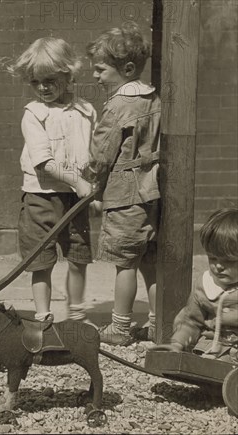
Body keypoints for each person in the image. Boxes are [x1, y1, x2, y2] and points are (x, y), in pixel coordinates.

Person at [83, 21, 161, 345]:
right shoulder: (153, 99)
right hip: (152, 191)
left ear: (126, 68)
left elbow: (102, 153)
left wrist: (91, 182)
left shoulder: (117, 106)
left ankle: (119, 328)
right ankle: (159, 324)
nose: (95, 76)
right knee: (150, 262)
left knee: (125, 263)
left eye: (100, 69)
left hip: (125, 194)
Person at [10, 37, 96, 324]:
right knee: (40, 260)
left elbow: (94, 153)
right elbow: (43, 162)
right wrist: (78, 182)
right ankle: (43, 315)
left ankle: (76, 316)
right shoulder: (34, 114)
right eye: (36, 82)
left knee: (78, 257)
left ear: (68, 75)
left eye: (50, 80)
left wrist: (93, 185)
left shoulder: (86, 111)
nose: (43, 87)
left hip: (76, 197)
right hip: (41, 196)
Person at [152, 209, 238, 362]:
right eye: (212, 258)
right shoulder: (205, 286)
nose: (218, 266)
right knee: (204, 360)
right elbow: (191, 320)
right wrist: (178, 342)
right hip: (211, 349)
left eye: (229, 261)